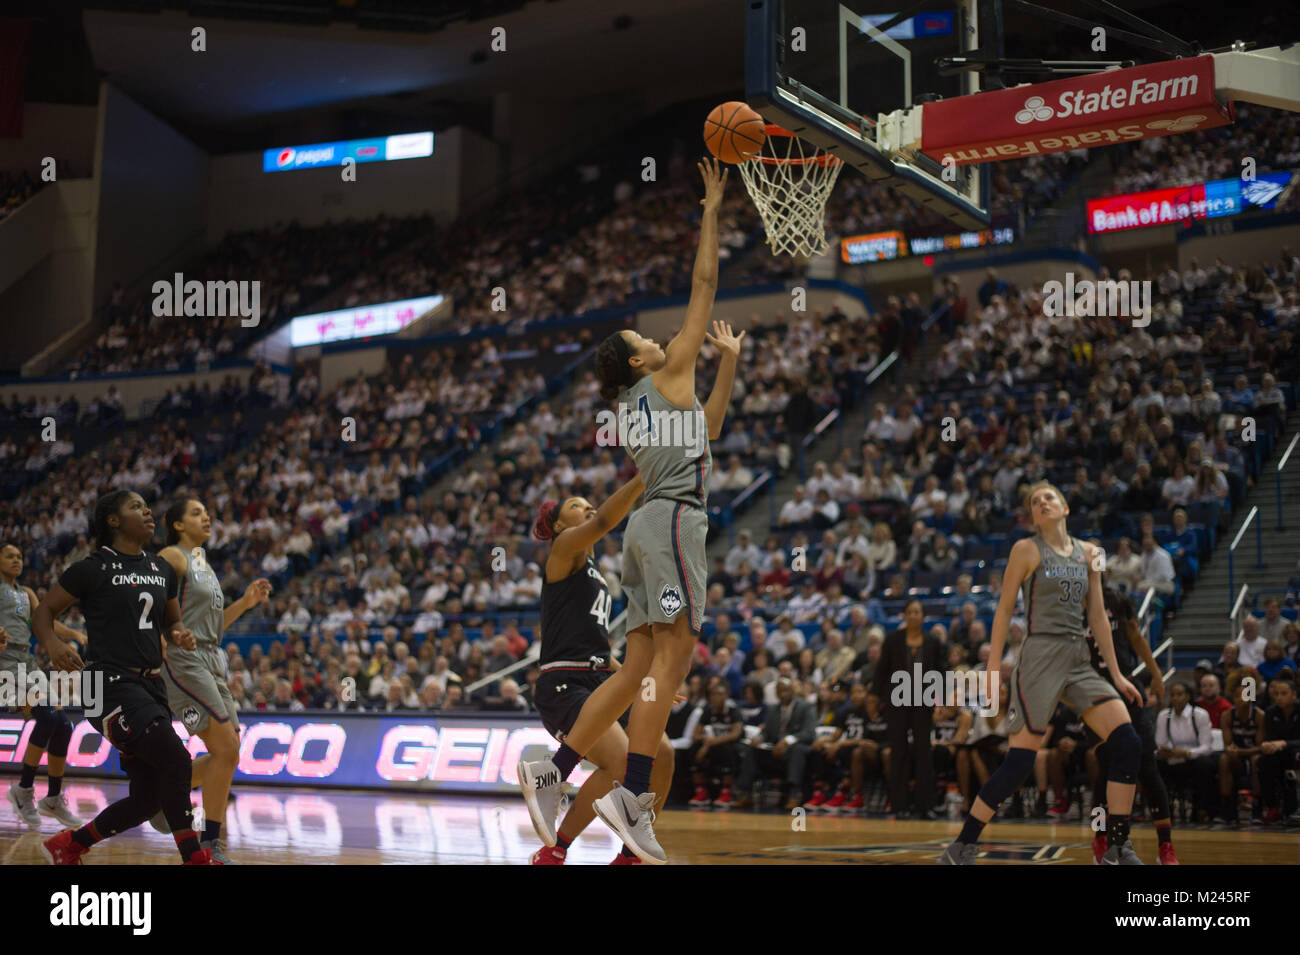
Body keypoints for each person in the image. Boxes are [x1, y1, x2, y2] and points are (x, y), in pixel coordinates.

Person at [518, 158, 735, 865]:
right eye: (645, 340)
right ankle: (634, 793)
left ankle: (556, 766)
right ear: (641, 360)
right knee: (673, 651)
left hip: (647, 531)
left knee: (636, 660)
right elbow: (705, 284)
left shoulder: (636, 404)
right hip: (674, 520)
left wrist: (727, 362)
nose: (656, 337)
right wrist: (708, 209)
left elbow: (707, 429)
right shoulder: (669, 366)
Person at [939, 482, 1146, 865]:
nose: (1041, 503)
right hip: (1039, 657)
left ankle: (1117, 846)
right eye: (1034, 502)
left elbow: (1098, 614)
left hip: (1079, 658)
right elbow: (1003, 611)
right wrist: (991, 670)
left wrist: (1116, 674)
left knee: (1128, 742)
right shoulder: (1025, 550)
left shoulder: (1092, 553)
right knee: (1019, 763)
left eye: (1048, 497)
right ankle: (962, 845)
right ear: (1032, 516)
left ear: (1065, 507)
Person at [33, 490, 215, 864]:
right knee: (177, 761)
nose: (148, 512)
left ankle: (71, 844)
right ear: (113, 521)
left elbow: (171, 620)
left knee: (148, 798)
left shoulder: (161, 568)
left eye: (147, 506)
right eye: (136, 507)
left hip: (150, 686)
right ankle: (194, 858)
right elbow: (44, 611)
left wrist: (179, 632)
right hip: (105, 684)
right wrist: (52, 645)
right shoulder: (92, 568)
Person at [521, 478, 677, 865]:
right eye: (577, 505)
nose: (588, 507)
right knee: (620, 762)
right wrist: (643, 477)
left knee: (663, 751)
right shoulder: (562, 551)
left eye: (589, 502)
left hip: (600, 678)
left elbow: (600, 648)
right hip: (565, 684)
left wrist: (639, 679)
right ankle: (556, 847)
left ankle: (630, 855)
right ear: (559, 525)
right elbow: (606, 519)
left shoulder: (595, 574)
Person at [147, 498, 271, 863]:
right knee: (223, 745)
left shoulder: (203, 563)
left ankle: (164, 799)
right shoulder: (172, 556)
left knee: (229, 751)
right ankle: (208, 844)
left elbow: (214, 630)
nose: (207, 517)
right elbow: (145, 604)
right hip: (183, 659)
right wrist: (159, 641)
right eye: (197, 513)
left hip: (211, 656)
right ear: (177, 524)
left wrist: (246, 603)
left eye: (207, 512)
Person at [1084, 588, 1179, 864]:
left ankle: (1166, 846)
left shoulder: (1118, 600)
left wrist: (1157, 675)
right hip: (1092, 694)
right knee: (1107, 768)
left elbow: (1136, 637)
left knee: (1148, 766)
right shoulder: (1070, 605)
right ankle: (1103, 839)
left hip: (1126, 688)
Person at [1, 544, 85, 830]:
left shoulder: (27, 593)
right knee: (48, 717)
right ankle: (23, 790)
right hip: (4, 662)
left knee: (63, 725)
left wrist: (74, 633)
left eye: (19, 556)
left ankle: (52, 798)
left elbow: (44, 623)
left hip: (26, 660)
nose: (16, 560)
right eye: (9, 556)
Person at [874, 598, 946, 818]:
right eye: (910, 612)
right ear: (904, 615)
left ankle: (925, 805)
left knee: (924, 754)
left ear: (923, 616)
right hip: (896, 701)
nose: (913, 615)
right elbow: (881, 671)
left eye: (917, 612)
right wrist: (875, 698)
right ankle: (899, 805)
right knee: (899, 753)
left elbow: (941, 674)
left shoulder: (933, 642)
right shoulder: (893, 640)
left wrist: (941, 701)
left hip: (923, 702)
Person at [1154, 682, 1217, 823]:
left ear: (1188, 696)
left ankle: (1202, 809)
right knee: (1154, 763)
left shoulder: (1200, 715)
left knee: (1205, 764)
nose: (1175, 698)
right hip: (1173, 760)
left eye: (1179, 694)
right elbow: (1160, 743)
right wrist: (1166, 752)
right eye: (1173, 695)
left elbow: (1207, 747)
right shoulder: (1164, 715)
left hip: (1193, 760)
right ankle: (1161, 809)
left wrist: (1186, 752)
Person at [1218, 676, 1264, 824]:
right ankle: (1227, 810)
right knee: (1224, 759)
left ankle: (1257, 811)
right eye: (1237, 696)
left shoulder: (1259, 715)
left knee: (1256, 759)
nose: (1240, 699)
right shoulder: (1227, 715)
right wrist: (1232, 751)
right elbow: (1227, 745)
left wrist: (1241, 752)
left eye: (1244, 695)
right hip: (1237, 758)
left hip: (1253, 755)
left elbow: (1260, 746)